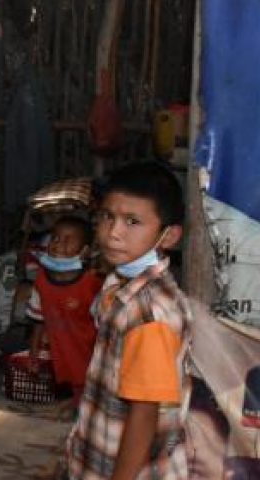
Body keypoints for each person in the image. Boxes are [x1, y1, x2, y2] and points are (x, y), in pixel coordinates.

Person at [66, 162, 191, 479]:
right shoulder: (119, 283)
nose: (113, 233)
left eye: (132, 222)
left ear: (169, 236)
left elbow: (144, 416)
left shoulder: (149, 316)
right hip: (100, 457)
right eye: (107, 216)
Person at [26, 215, 103, 413]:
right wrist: (34, 353)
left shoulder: (92, 285)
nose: (58, 244)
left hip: (90, 348)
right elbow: (37, 320)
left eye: (68, 240)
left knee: (89, 379)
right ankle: (76, 403)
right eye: (55, 238)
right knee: (70, 377)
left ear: (84, 251)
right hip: (62, 347)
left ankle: (83, 408)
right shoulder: (42, 281)